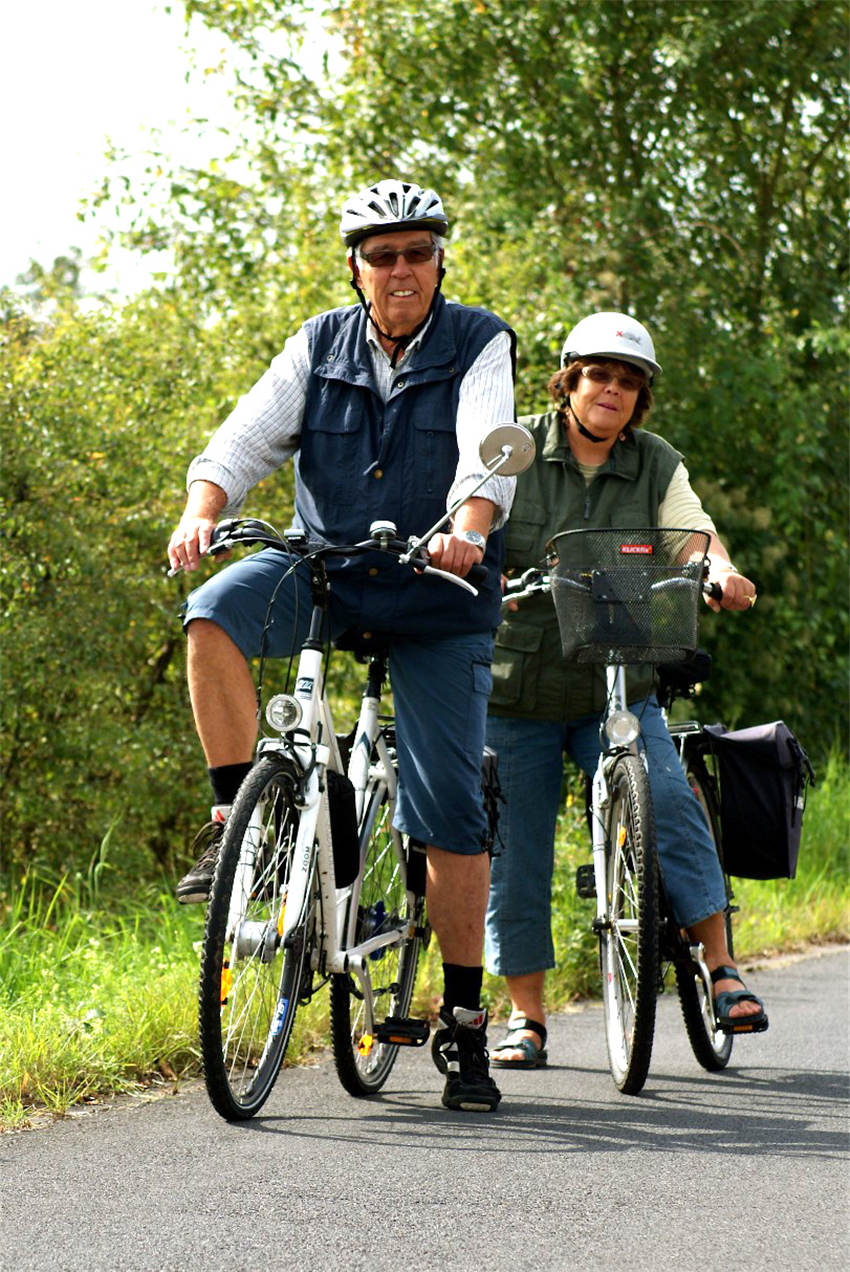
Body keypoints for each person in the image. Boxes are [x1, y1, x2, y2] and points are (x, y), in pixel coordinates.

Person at [167, 179, 517, 1112]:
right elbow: (243, 442)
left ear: (440, 261)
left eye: (417, 253)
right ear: (357, 268)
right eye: (382, 255)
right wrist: (205, 511)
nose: (400, 270)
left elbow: (488, 449)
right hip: (326, 569)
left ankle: (466, 1020)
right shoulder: (318, 342)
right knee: (211, 614)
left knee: (448, 809)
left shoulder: (480, 339)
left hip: (439, 588)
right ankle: (239, 820)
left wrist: (469, 527)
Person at [484, 311, 767, 1069]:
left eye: (628, 381)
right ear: (569, 380)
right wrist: (480, 577)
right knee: (515, 853)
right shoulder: (514, 448)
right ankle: (527, 1017)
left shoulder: (655, 461)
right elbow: (472, 524)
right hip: (516, 691)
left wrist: (718, 571)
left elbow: (690, 530)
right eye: (600, 375)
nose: (613, 389)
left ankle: (721, 967)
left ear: (640, 399)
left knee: (670, 800)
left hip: (617, 679)